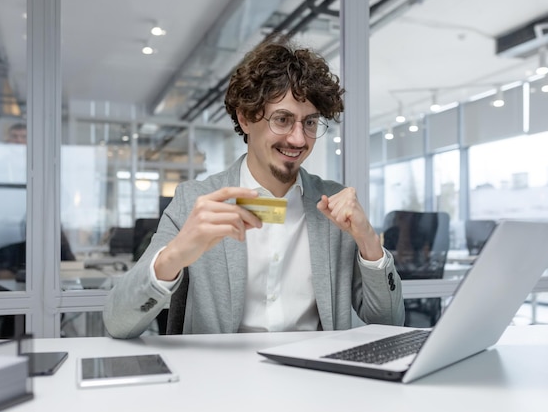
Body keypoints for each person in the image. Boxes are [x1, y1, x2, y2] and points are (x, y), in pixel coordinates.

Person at [103, 34, 405, 339]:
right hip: (222, 380)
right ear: (246, 118)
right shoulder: (195, 201)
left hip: (316, 379)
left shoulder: (335, 206)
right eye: (283, 119)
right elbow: (118, 322)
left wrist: (368, 242)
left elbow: (390, 322)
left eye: (310, 122)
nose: (299, 139)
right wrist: (176, 254)